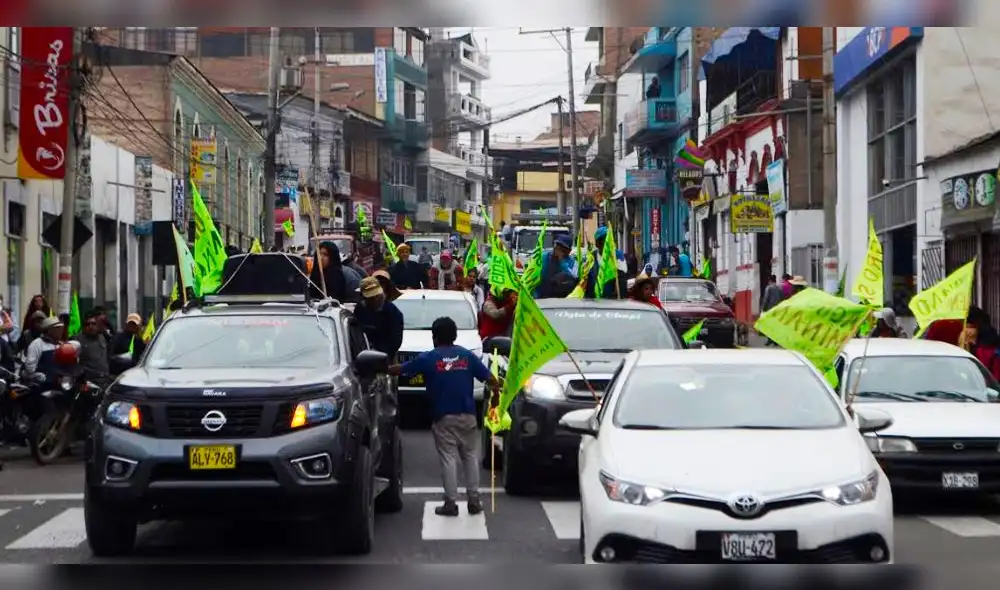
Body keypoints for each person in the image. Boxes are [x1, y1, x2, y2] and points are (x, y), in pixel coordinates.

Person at [387, 316, 500, 517]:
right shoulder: (467, 356)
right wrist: (496, 398)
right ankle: (474, 501)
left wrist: (382, 368)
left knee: (449, 459)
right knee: (470, 457)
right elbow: (491, 379)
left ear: (435, 337)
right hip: (468, 415)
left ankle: (450, 503)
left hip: (443, 416)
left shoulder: (429, 358)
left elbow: (402, 370)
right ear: (454, 335)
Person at [353, 277, 404, 359]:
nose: (366, 301)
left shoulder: (393, 314)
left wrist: (377, 355)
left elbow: (394, 342)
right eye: (365, 298)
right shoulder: (360, 309)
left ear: (377, 296)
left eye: (369, 299)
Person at [584, 226, 627, 299]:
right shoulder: (591, 256)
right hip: (593, 300)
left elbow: (622, 279)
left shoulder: (617, 255)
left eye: (607, 240)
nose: (605, 244)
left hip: (611, 300)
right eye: (601, 241)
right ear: (597, 243)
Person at [71, 310, 110, 383]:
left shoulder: (102, 337)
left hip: (105, 379)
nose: (90, 326)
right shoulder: (77, 340)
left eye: (93, 324)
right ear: (83, 326)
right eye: (87, 324)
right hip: (88, 381)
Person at [24, 317, 63, 382]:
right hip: (43, 385)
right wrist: (45, 379)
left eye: (61, 328)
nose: (60, 331)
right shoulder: (37, 344)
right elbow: (30, 369)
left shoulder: (61, 344)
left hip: (61, 384)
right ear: (49, 330)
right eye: (57, 328)